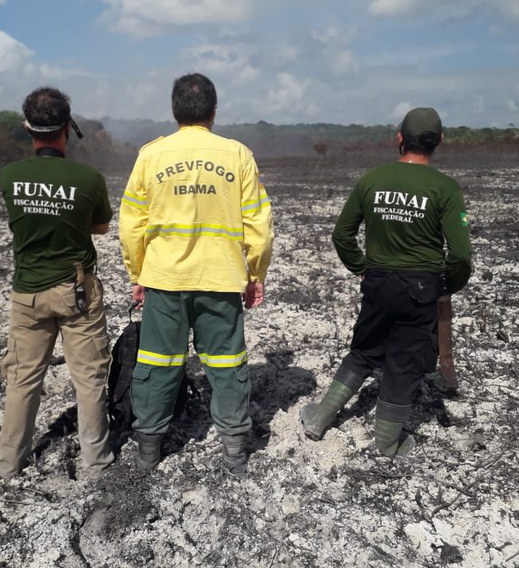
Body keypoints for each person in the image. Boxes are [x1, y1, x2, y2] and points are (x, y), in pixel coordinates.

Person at [118, 73, 274, 477]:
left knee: (157, 363)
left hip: (165, 280)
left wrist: (138, 273)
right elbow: (259, 222)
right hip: (221, 279)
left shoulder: (151, 156)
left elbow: (131, 224)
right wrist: (255, 273)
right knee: (226, 364)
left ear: (174, 111)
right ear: (214, 111)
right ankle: (234, 454)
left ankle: (149, 452)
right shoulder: (237, 154)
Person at [300, 107, 472, 457]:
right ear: (439, 141)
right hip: (420, 289)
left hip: (377, 284)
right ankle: (387, 442)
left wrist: (362, 267)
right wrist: (447, 286)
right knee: (404, 363)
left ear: (398, 139)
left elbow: (341, 236)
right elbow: (460, 256)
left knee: (364, 350)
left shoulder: (372, 180)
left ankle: (319, 418)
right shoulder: (446, 188)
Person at [0, 87, 114, 480]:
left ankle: (9, 464)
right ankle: (95, 465)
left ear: (27, 128)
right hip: (77, 293)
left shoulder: (10, 177)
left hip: (27, 295)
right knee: (90, 379)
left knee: (22, 380)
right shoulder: (88, 178)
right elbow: (99, 225)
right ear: (67, 128)